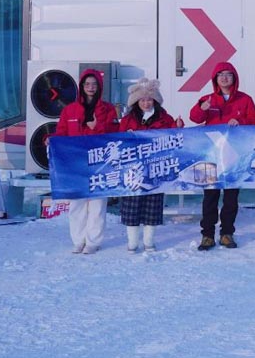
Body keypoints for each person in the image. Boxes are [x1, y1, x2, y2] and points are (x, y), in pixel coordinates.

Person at [189, 61, 255, 251]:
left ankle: (227, 233)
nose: (225, 78)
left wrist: (241, 120)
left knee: (230, 198)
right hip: (210, 156)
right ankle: (207, 235)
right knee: (210, 196)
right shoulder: (207, 98)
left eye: (228, 74)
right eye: (221, 75)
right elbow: (195, 118)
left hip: (234, 157)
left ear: (234, 78)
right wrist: (202, 108)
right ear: (215, 79)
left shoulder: (244, 99)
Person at [55, 68, 118, 254]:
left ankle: (93, 241)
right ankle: (78, 240)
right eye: (87, 84)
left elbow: (112, 135)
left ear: (99, 87)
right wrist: (51, 140)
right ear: (81, 86)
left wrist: (96, 127)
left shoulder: (108, 109)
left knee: (98, 203)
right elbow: (62, 133)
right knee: (77, 204)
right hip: (77, 165)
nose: (91, 87)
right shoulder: (70, 110)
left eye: (94, 84)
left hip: (100, 164)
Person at [118, 77, 184, 253]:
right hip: (134, 170)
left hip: (156, 168)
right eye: (142, 100)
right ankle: (132, 242)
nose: (146, 103)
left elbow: (175, 139)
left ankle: (149, 241)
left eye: (149, 99)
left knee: (152, 204)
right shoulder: (127, 120)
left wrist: (178, 127)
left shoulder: (165, 118)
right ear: (136, 102)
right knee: (132, 204)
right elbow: (118, 141)